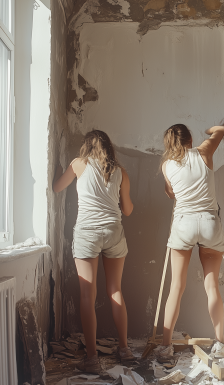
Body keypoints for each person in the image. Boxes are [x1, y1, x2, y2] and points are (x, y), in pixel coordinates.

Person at [53, 130, 136, 373]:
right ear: (109, 148)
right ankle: (124, 349)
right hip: (114, 232)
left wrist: (60, 169)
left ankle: (92, 358)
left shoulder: (79, 164)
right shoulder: (120, 173)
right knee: (116, 290)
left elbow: (58, 187)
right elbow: (128, 210)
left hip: (88, 233)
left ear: (87, 147)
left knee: (88, 295)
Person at [155, 123, 224, 361]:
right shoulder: (204, 151)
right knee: (212, 286)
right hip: (209, 222)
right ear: (190, 139)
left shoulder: (167, 166)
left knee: (176, 286)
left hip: (184, 223)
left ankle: (165, 346)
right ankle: (220, 342)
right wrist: (213, 129)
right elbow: (219, 131)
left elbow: (171, 194)